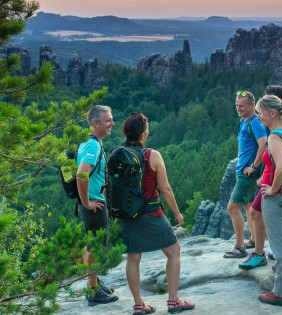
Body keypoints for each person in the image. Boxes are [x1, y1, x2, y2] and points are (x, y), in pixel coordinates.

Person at [118, 112, 195, 314]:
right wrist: (177, 214)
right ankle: (173, 301)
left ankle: (138, 304)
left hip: (126, 215)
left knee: (133, 258)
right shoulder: (152, 155)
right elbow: (166, 189)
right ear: (143, 134)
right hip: (151, 213)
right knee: (174, 251)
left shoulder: (117, 154)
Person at [256, 95, 282, 306]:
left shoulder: (274, 137)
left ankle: (281, 293)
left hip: (277, 196)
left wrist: (273, 188)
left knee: (279, 247)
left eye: (261, 112)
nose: (259, 116)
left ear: (272, 113)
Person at [76, 105, 119, 305]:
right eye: (108, 120)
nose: (112, 123)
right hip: (94, 205)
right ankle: (93, 292)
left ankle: (94, 281)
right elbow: (81, 174)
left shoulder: (89, 143)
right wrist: (87, 202)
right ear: (95, 123)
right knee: (95, 246)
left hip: (92, 203)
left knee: (91, 244)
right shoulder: (93, 146)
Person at [224, 91, 267, 259]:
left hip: (247, 175)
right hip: (243, 171)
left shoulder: (255, 122)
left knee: (232, 207)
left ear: (252, 105)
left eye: (242, 105)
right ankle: (254, 240)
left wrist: (254, 166)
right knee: (248, 206)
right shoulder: (244, 121)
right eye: (236, 105)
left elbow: (263, 145)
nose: (238, 108)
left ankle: (239, 247)